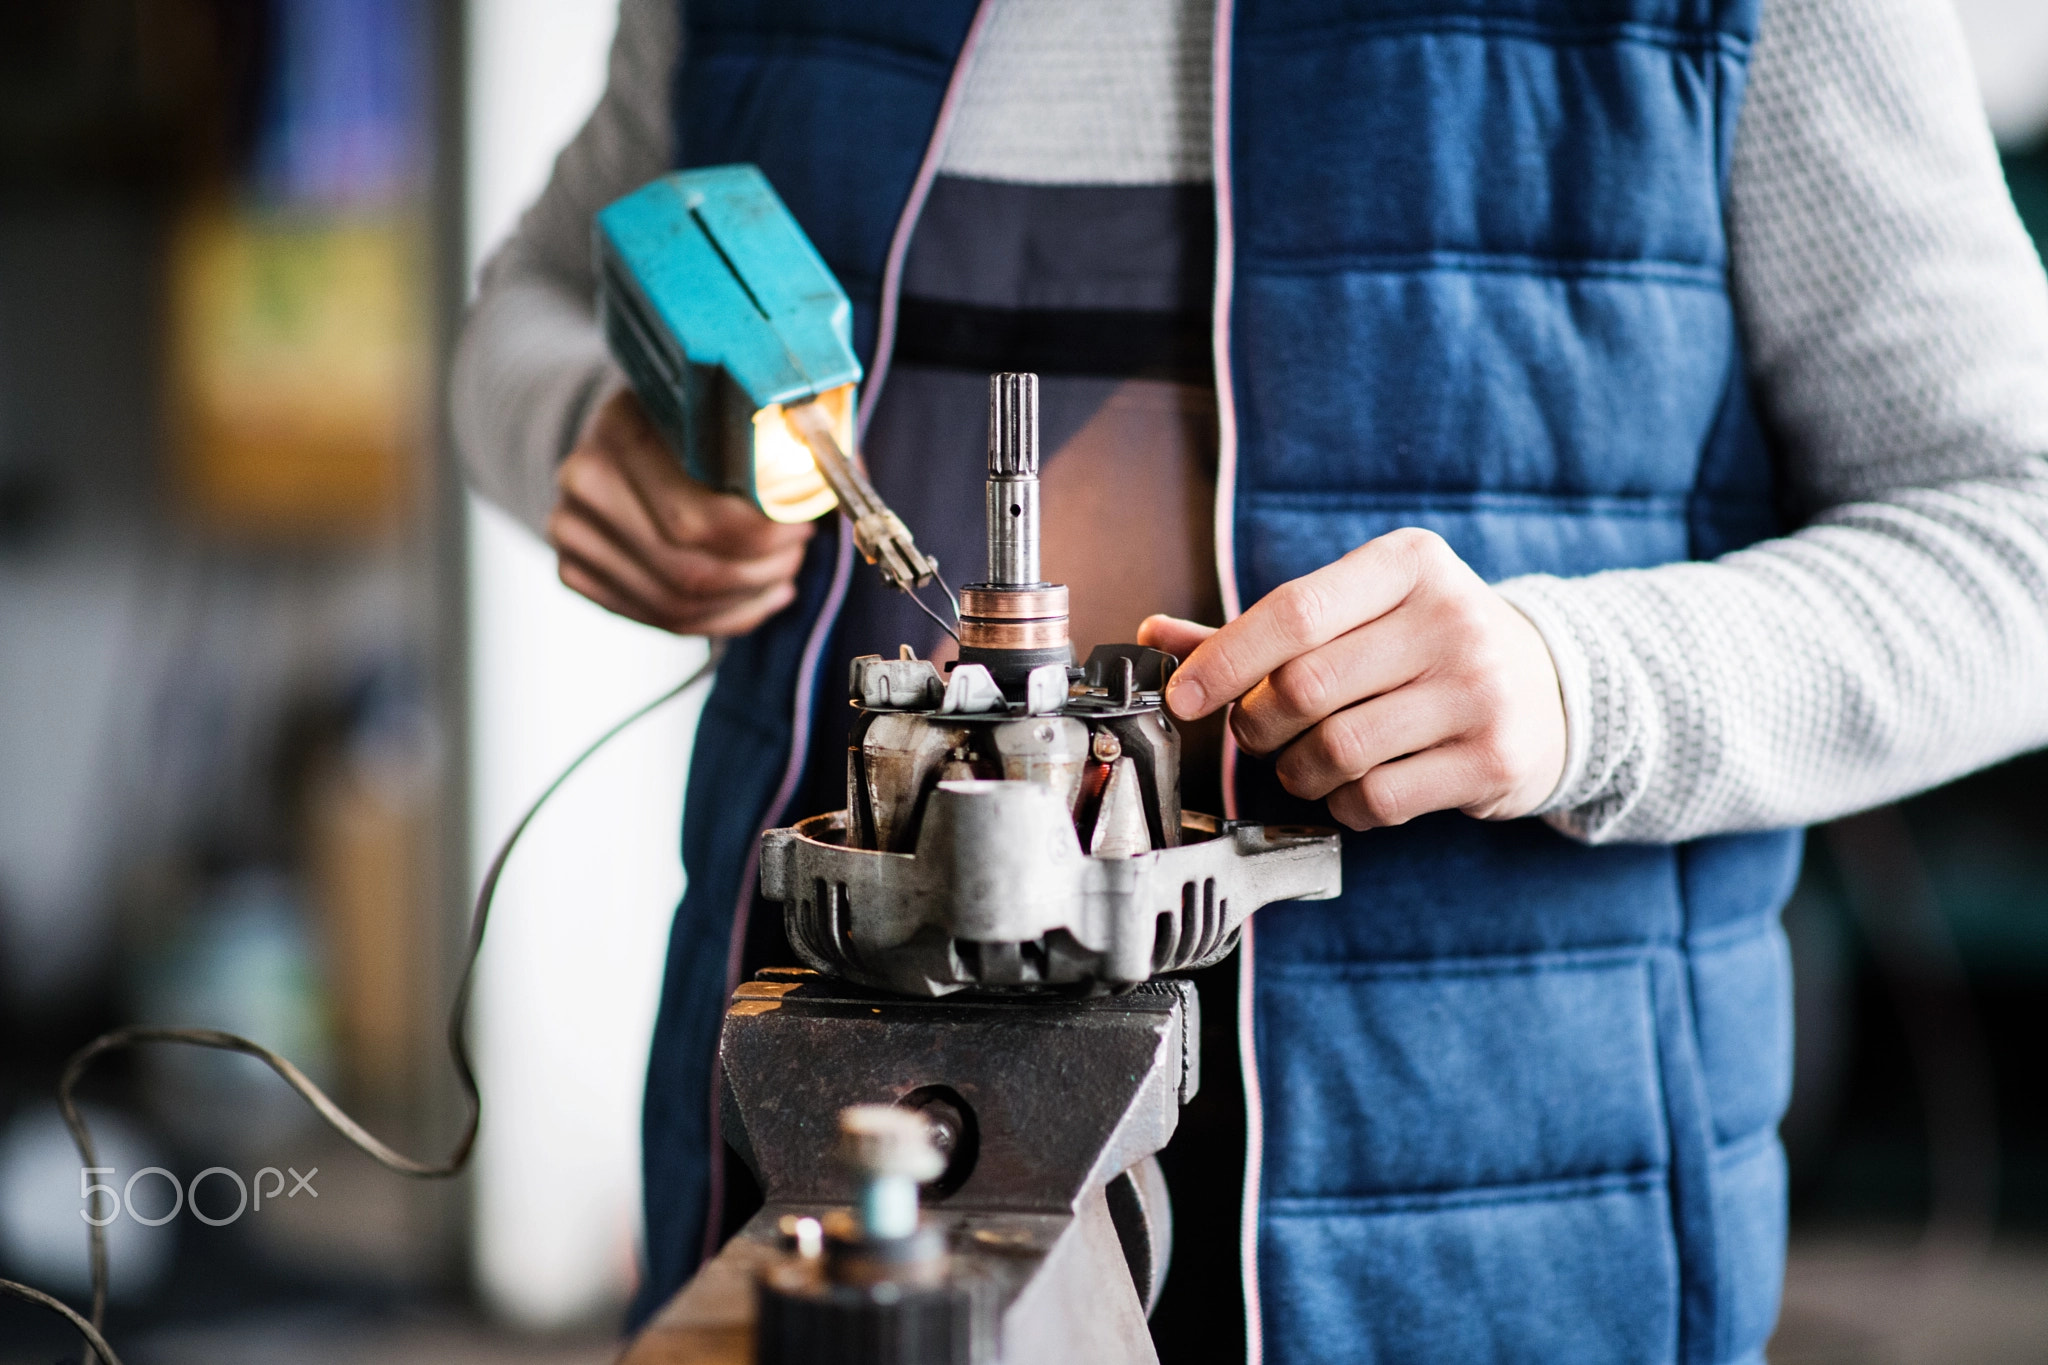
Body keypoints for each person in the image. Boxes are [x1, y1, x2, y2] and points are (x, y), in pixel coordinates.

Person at [452, 0, 2048, 1360]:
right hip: (826, 1128)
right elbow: (527, 298)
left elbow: (2019, 529)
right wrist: (575, 429)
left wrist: (1582, 684)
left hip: (1484, 1221)